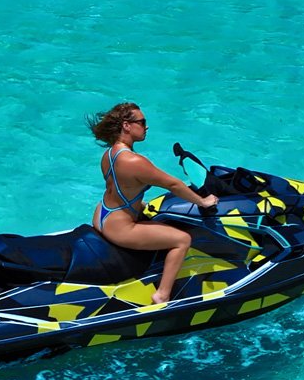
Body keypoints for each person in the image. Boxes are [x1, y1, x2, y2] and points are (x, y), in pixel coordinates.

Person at [88, 103, 217, 305]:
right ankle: (162, 295)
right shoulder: (134, 161)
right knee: (182, 240)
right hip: (121, 228)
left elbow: (120, 188)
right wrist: (203, 201)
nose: (146, 127)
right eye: (142, 122)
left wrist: (139, 204)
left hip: (102, 215)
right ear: (126, 126)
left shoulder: (109, 155)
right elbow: (173, 184)